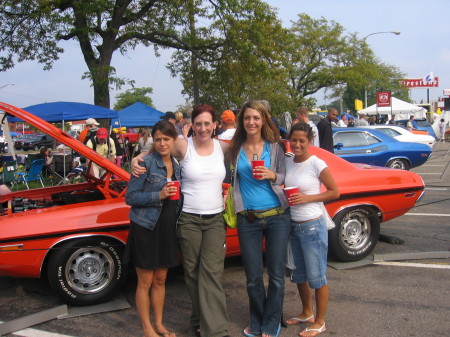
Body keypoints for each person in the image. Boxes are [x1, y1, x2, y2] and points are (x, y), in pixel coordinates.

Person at [132, 104, 230, 337]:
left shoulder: (223, 146)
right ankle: (198, 319)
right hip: (187, 218)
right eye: (199, 124)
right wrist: (138, 158)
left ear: (215, 125)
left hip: (215, 218)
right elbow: (159, 146)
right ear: (191, 125)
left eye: (208, 123)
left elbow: (253, 143)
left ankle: (215, 330)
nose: (203, 128)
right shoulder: (183, 145)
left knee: (212, 273)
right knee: (193, 274)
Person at [226, 100, 291, 337]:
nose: (251, 122)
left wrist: (273, 175)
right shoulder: (234, 149)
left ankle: (271, 322)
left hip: (277, 216)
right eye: (247, 118)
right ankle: (257, 319)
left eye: (256, 118)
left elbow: (284, 174)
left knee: (275, 275)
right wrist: (141, 158)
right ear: (241, 121)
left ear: (264, 120)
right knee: (252, 277)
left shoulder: (275, 147)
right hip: (248, 219)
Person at [125, 120, 181, 337]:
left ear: (174, 140)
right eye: (158, 139)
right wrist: (157, 195)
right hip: (146, 227)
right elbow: (130, 197)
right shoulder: (145, 163)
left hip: (167, 227)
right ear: (153, 141)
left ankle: (159, 324)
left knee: (160, 279)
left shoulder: (177, 164)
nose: (162, 143)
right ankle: (147, 328)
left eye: (166, 139)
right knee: (145, 281)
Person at [284, 122, 339, 337]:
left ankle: (320, 321)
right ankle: (307, 312)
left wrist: (309, 198)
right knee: (300, 274)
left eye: (301, 141)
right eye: (294, 140)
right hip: (294, 225)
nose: (297, 145)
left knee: (317, 276)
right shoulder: (289, 162)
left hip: (312, 225)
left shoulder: (317, 163)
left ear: (309, 141)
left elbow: (335, 192)